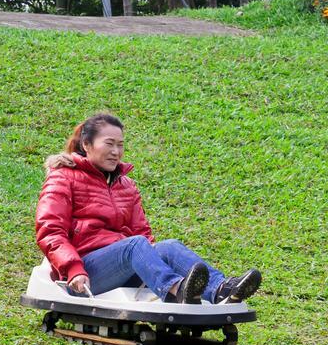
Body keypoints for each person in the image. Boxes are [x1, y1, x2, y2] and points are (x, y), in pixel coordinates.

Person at [35, 112, 262, 304]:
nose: (116, 151)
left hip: (123, 265)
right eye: (109, 144)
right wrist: (73, 268)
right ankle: (177, 291)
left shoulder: (125, 185)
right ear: (87, 145)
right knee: (134, 245)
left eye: (120, 145)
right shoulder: (64, 177)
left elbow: (142, 235)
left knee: (168, 247)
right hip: (84, 272)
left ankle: (221, 290)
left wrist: (153, 258)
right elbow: (51, 231)